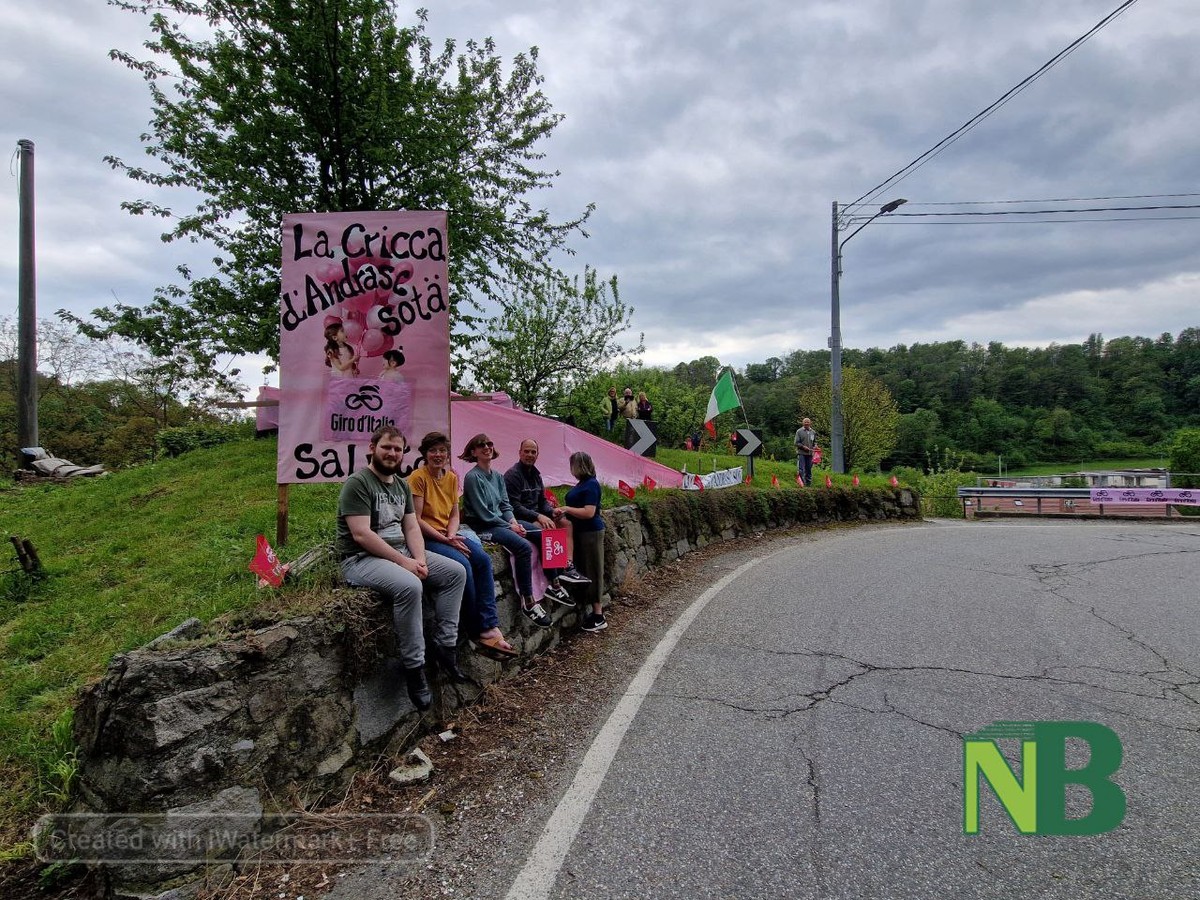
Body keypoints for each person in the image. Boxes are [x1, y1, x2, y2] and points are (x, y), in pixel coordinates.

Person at [337, 425, 467, 711]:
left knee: (456, 572)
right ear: (372, 448)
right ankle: (415, 668)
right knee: (410, 586)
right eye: (386, 447)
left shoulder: (400, 485)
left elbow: (411, 525)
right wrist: (405, 564)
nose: (392, 453)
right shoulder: (358, 483)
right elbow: (361, 534)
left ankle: (446, 648)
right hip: (361, 559)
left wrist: (418, 559)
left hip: (402, 553)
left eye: (397, 449)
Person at [408, 432, 518, 660]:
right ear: (425, 454)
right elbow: (415, 519)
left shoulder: (451, 477)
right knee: (463, 566)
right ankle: (477, 628)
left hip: (449, 534)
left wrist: (452, 535)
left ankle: (489, 623)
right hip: (426, 537)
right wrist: (445, 540)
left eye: (442, 451)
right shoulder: (418, 477)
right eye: (433, 451)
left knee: (482, 560)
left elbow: (455, 513)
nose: (438, 455)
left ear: (448, 454)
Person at [459, 433, 553, 629]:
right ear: (473, 452)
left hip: (501, 522)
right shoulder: (472, 477)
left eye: (490, 444)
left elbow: (505, 504)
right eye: (481, 445)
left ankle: (555, 581)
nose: (487, 447)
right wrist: (510, 526)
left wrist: (512, 521)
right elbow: (483, 513)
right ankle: (528, 601)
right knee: (523, 546)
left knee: (544, 535)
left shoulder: (498, 477)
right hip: (483, 526)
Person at [503, 438, 591, 608]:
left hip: (538, 515)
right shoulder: (512, 475)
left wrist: (551, 511)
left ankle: (567, 565)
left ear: (537, 455)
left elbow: (542, 500)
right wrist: (539, 516)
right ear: (519, 452)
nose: (529, 455)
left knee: (566, 524)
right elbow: (514, 506)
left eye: (533, 452)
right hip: (519, 518)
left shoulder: (536, 474)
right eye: (526, 451)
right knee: (546, 532)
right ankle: (554, 582)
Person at [555, 451, 607, 633]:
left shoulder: (591, 485)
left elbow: (589, 512)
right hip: (580, 532)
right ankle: (591, 611)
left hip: (591, 532)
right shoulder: (582, 484)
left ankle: (598, 614)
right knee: (584, 569)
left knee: (593, 569)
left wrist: (567, 508)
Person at [795, 417, 817, 487]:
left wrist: (816, 446)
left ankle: (808, 484)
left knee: (809, 469)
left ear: (810, 423)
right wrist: (803, 447)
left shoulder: (813, 432)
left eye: (808, 422)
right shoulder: (799, 431)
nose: (806, 423)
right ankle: (802, 484)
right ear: (803, 423)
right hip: (802, 453)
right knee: (801, 469)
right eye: (805, 422)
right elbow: (796, 443)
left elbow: (815, 442)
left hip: (810, 454)